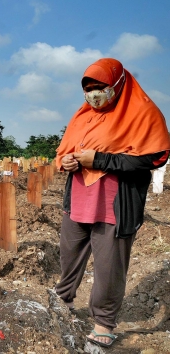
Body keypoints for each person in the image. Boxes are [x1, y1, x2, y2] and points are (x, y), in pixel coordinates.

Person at [55, 58, 170, 348]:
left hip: (115, 203)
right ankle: (64, 299)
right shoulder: (82, 116)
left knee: (109, 264)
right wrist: (67, 161)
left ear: (118, 84)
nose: (94, 94)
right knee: (70, 253)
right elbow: (65, 150)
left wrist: (100, 159)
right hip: (79, 196)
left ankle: (103, 322)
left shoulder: (142, 113)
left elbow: (153, 157)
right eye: (88, 88)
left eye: (100, 87)